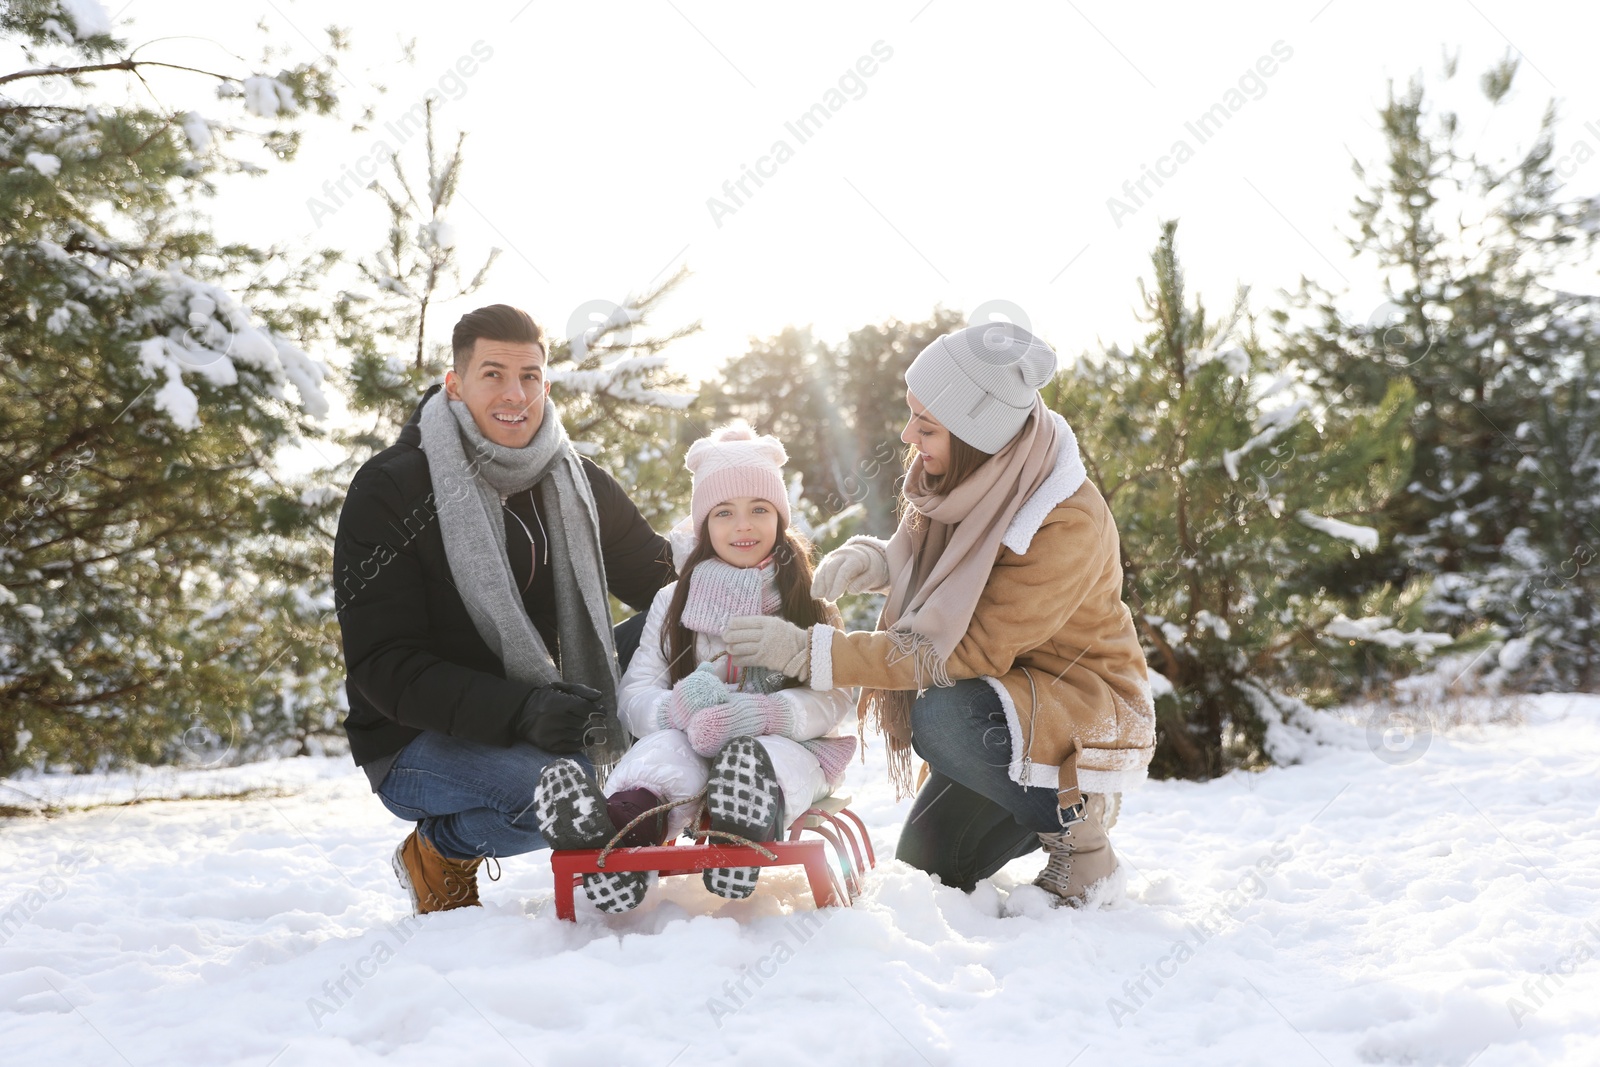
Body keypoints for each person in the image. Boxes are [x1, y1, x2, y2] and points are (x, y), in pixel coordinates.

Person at [726, 322, 1155, 907]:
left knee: (941, 714)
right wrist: (876, 560)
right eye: (912, 415)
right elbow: (944, 569)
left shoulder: (1062, 522)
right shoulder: (974, 477)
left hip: (1072, 708)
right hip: (1004, 703)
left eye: (926, 426)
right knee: (932, 866)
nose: (909, 435)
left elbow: (955, 651)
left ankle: (1081, 830)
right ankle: (1031, 798)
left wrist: (810, 652)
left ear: (979, 435)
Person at [332, 304, 674, 915]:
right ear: (455, 384)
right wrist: (519, 711)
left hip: (547, 705)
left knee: (680, 614)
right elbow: (383, 665)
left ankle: (704, 776)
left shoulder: (575, 482)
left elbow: (665, 582)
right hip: (415, 737)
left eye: (531, 376)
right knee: (552, 795)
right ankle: (439, 850)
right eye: (493, 374)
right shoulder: (393, 488)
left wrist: (767, 576)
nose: (516, 395)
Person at [533, 423, 856, 913]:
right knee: (663, 756)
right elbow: (636, 693)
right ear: (704, 524)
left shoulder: (808, 597)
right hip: (694, 733)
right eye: (724, 512)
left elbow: (837, 698)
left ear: (780, 517)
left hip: (791, 743)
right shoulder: (673, 600)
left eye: (759, 510)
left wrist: (766, 715)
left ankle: (743, 826)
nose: (742, 525)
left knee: (768, 758)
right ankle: (616, 832)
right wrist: (676, 709)